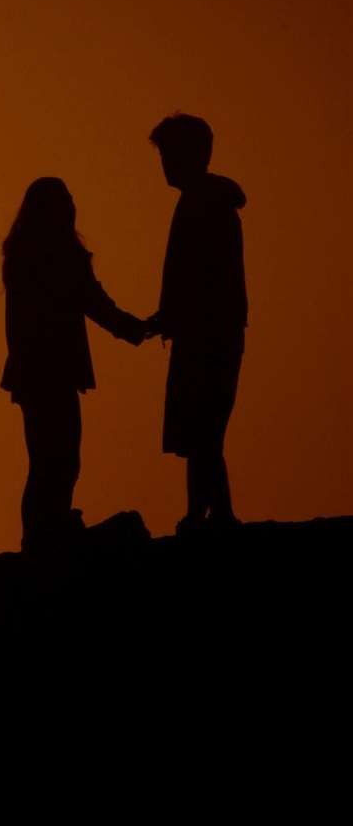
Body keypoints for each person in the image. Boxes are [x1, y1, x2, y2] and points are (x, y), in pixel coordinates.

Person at [1, 177, 151, 551]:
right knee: (59, 456)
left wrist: (131, 328)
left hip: (35, 370)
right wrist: (133, 328)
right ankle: (44, 533)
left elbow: (89, 300)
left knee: (49, 457)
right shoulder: (54, 255)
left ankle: (43, 530)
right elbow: (93, 301)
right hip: (49, 369)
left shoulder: (22, 254)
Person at [144, 114, 247, 535]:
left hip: (208, 335)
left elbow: (199, 276)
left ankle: (213, 515)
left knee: (203, 427)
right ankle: (203, 513)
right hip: (207, 331)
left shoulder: (203, 205)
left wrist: (167, 317)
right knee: (201, 430)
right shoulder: (204, 202)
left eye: (169, 154)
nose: (165, 164)